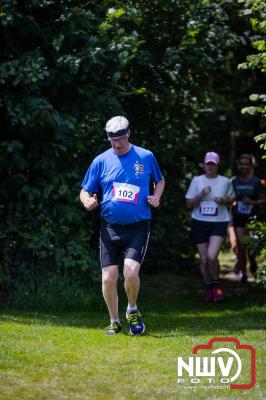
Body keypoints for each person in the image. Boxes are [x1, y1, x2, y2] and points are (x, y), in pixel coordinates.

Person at [80, 116, 165, 335]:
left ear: (128, 134)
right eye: (112, 140)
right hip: (109, 228)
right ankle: (114, 321)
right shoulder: (101, 160)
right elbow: (85, 189)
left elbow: (160, 180)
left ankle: (133, 309)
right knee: (108, 277)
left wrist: (156, 196)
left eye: (120, 139)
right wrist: (87, 200)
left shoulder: (145, 156)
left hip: (137, 227)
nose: (116, 144)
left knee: (130, 273)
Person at [185, 152, 235, 302]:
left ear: (217, 166)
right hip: (199, 222)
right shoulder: (197, 180)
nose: (210, 167)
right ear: (204, 165)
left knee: (213, 256)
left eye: (213, 164)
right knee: (204, 260)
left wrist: (223, 200)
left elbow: (232, 199)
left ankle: (216, 286)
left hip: (219, 222)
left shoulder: (225, 181)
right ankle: (210, 289)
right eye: (208, 164)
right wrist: (201, 194)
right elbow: (188, 204)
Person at [231, 154, 265, 283]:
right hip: (238, 217)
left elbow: (263, 200)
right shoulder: (233, 181)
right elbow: (229, 198)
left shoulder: (256, 182)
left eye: (246, 164)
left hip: (253, 218)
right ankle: (243, 272)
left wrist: (252, 202)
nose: (243, 166)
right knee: (241, 244)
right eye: (241, 164)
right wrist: (232, 202)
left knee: (251, 245)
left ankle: (253, 264)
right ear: (238, 165)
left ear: (251, 166)